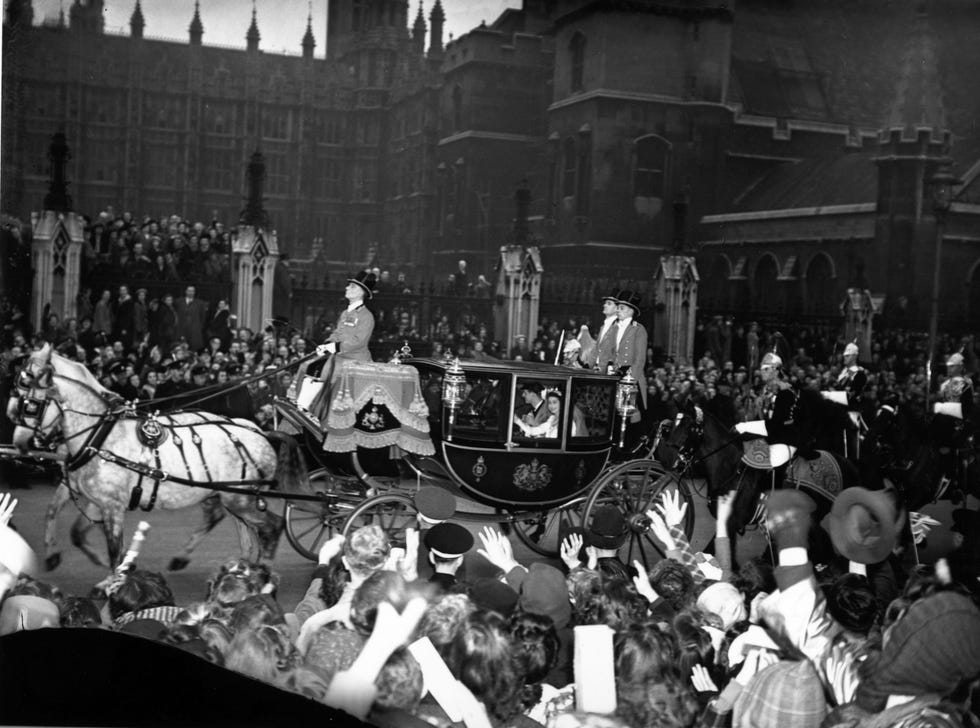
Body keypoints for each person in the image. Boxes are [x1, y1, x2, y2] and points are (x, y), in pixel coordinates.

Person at [307, 271, 376, 426]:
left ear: (360, 292)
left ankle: (328, 420)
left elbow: (358, 342)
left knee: (329, 374)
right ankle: (312, 411)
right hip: (340, 357)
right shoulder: (346, 313)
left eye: (351, 286)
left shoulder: (367, 316)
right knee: (311, 367)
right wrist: (326, 344)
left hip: (355, 360)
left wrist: (335, 347)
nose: (347, 288)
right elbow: (338, 332)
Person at [611, 290, 648, 422]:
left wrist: (630, 381)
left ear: (631, 311)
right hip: (614, 376)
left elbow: (640, 360)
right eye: (618, 307)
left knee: (629, 417)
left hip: (629, 378)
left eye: (621, 308)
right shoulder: (613, 328)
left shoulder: (638, 329)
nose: (617, 310)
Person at [583, 289, 620, 372]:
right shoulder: (603, 326)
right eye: (605, 303)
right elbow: (597, 348)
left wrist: (607, 368)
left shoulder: (617, 327)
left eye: (609, 304)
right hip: (598, 369)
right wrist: (588, 364)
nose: (604, 305)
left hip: (608, 371)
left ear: (616, 309)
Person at [174, 286, 208, 352]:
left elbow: (203, 317)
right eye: (189, 291)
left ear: (194, 292)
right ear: (186, 291)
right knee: (180, 349)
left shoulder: (200, 303)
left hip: (194, 331)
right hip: (181, 330)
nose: (190, 292)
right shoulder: (178, 302)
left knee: (194, 349)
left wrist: (198, 327)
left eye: (192, 291)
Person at [834, 341, 868, 407]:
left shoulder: (859, 373)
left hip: (851, 408)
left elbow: (853, 393)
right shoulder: (843, 372)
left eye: (847, 356)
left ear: (854, 356)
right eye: (844, 356)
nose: (844, 357)